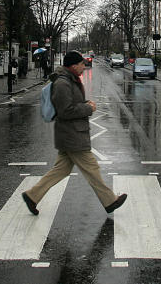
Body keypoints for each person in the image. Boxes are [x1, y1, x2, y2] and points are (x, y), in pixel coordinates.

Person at [22, 50, 127, 216]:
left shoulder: (69, 80)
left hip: (71, 133)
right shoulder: (63, 83)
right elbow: (65, 110)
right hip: (72, 135)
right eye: (81, 64)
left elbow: (71, 103)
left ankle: (32, 196)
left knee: (61, 170)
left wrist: (85, 103)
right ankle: (110, 201)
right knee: (92, 167)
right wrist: (88, 108)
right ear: (73, 65)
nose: (84, 67)